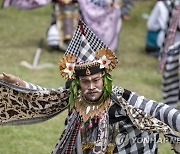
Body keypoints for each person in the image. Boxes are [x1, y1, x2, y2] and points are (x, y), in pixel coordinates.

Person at [0, 20, 180, 154]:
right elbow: (45, 98)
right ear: (78, 84)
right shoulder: (75, 96)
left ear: (104, 78)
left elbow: (161, 111)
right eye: (86, 82)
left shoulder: (123, 98)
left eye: (96, 80)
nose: (92, 86)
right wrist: (18, 83)